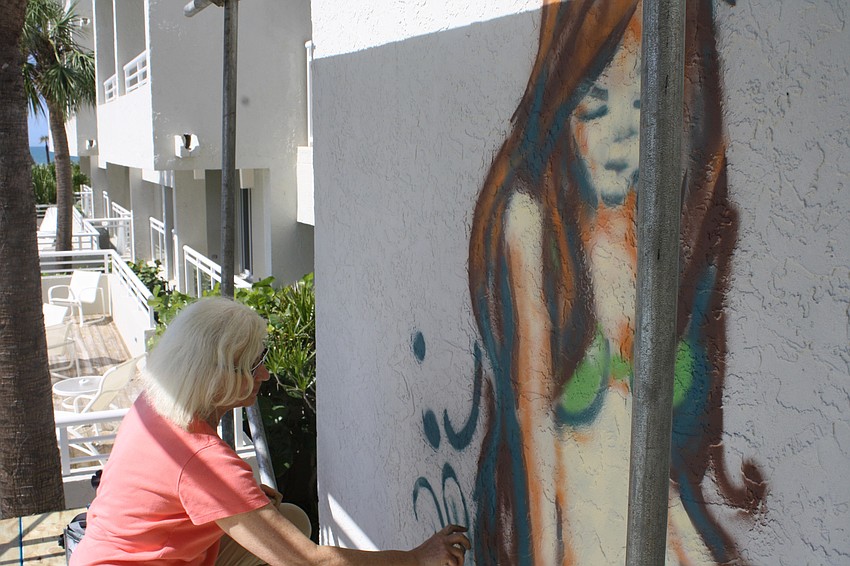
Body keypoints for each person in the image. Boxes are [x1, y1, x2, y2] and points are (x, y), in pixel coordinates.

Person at [468, 1, 764, 564]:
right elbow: (535, 443)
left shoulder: (659, 230)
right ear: (564, 94)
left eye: (644, 104)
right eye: (597, 102)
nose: (622, 136)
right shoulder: (531, 222)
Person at [71, 297, 470, 566]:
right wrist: (416, 558)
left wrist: (243, 498)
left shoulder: (157, 402)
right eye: (254, 364)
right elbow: (309, 561)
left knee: (289, 517)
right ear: (215, 375)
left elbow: (169, 493)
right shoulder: (203, 461)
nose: (264, 373)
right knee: (289, 541)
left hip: (100, 553)